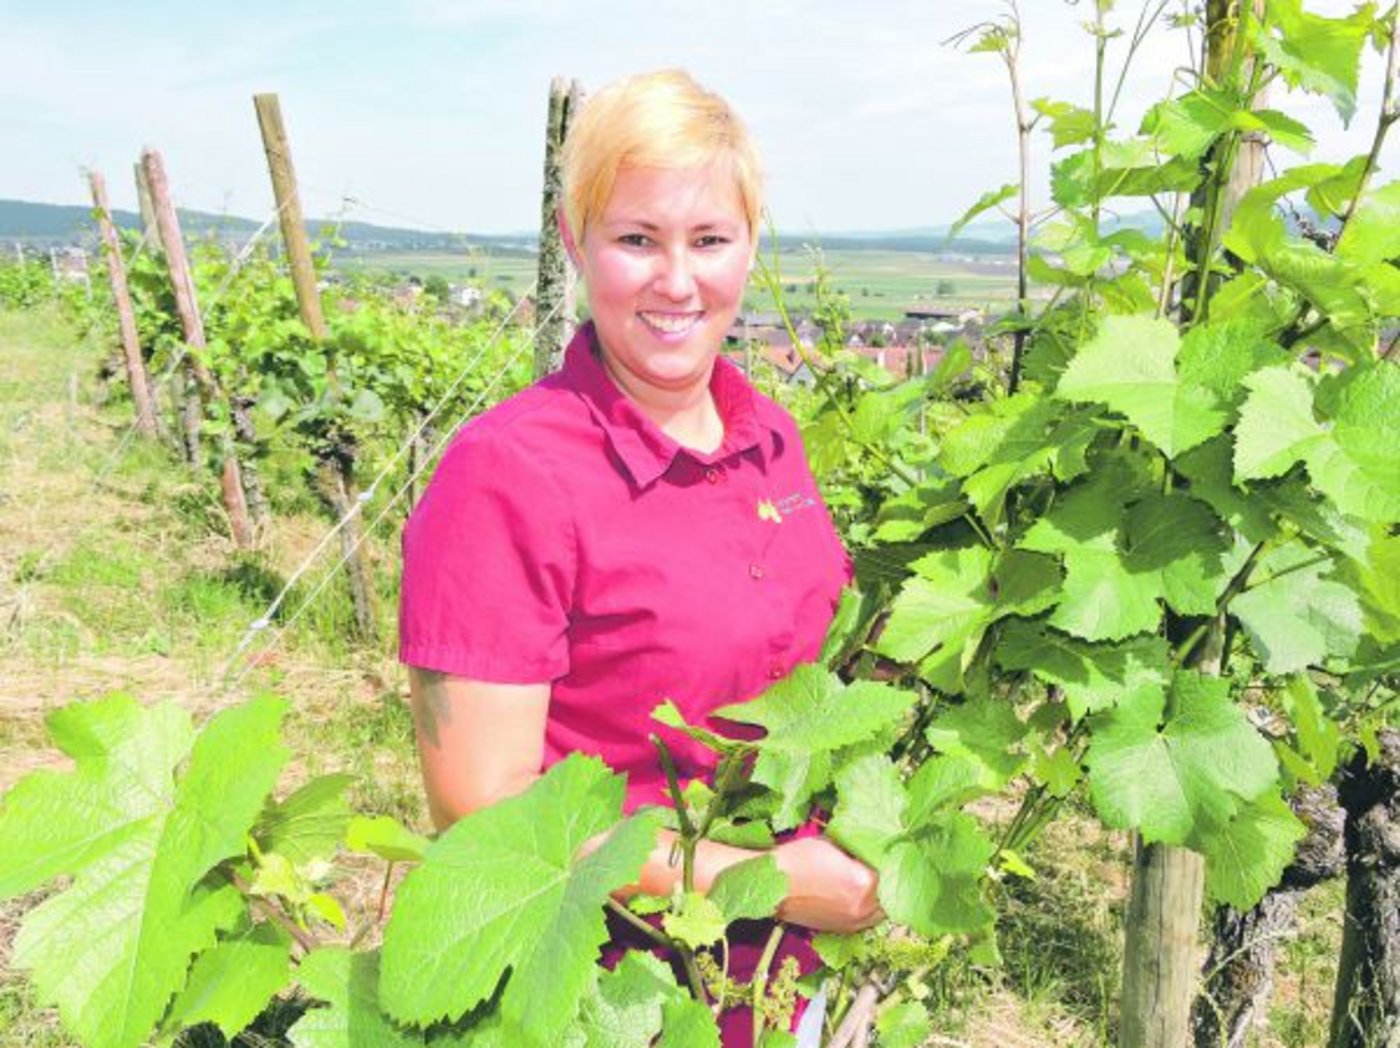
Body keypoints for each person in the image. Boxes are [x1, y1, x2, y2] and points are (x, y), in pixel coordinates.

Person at [398, 68, 882, 1040]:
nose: (675, 280)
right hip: (611, 994)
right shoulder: (505, 473)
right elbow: (484, 814)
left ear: (749, 246)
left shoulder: (770, 436)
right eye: (635, 239)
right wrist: (768, 883)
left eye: (709, 239)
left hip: (788, 985)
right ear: (575, 244)